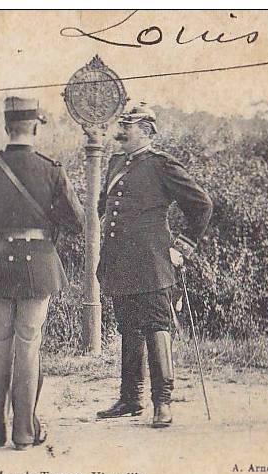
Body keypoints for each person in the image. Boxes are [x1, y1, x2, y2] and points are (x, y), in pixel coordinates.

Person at [0, 96, 84, 450]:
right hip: (38, 266)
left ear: (5, 127)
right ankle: (25, 432)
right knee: (28, 347)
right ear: (35, 127)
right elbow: (75, 222)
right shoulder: (51, 169)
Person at [95, 103, 213, 428]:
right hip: (120, 261)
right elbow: (105, 208)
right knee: (128, 328)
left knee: (157, 327)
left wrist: (183, 247)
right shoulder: (117, 162)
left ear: (146, 131)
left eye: (127, 126)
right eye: (120, 125)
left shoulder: (161, 165)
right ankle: (130, 398)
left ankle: (163, 402)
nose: (120, 131)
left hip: (151, 261)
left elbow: (201, 204)